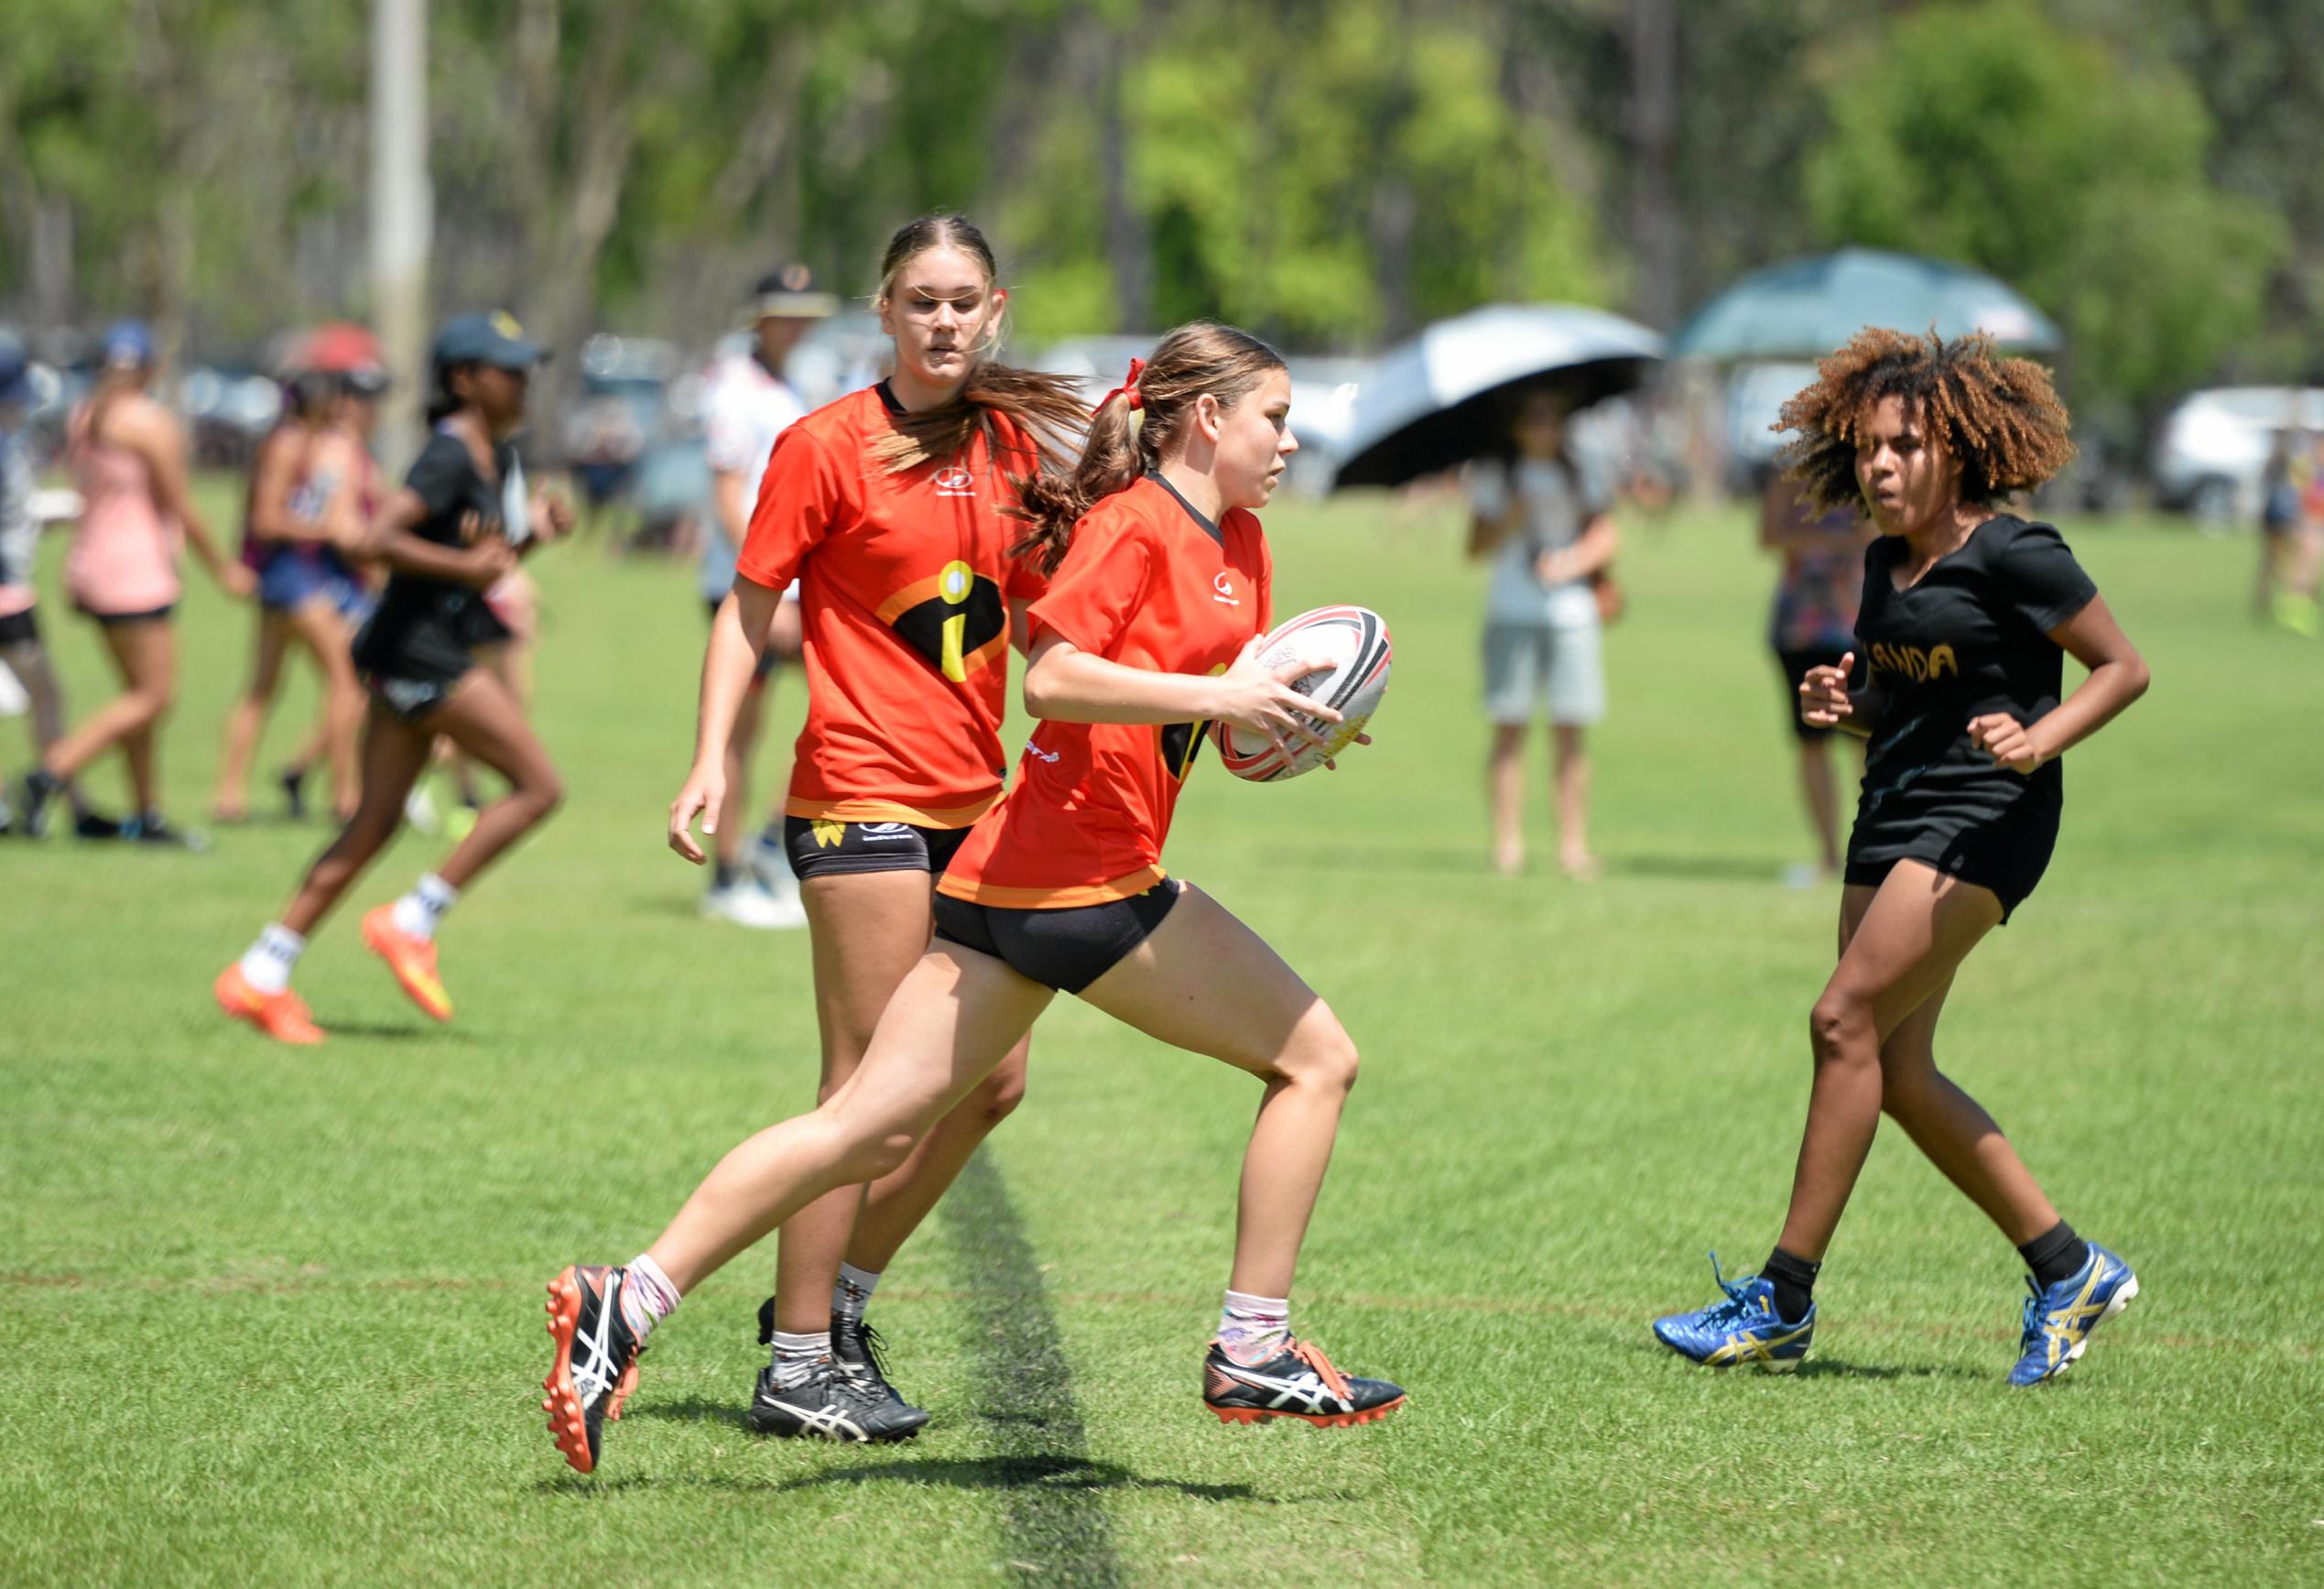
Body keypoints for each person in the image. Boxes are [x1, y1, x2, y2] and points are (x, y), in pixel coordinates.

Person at [540, 319, 1405, 1477]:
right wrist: (1222, 690)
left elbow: (1195, 707)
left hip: (1009, 875)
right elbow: (1052, 678)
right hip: (1080, 879)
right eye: (1275, 418)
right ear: (1207, 417)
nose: (1292, 441)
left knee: (862, 1125)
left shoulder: (1241, 541)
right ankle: (1254, 1345)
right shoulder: (1135, 522)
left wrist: (1284, 726)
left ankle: (625, 1297)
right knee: (1317, 1060)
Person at [611, 215, 1097, 1449]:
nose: (942, 321)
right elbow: (746, 604)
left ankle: (835, 1310)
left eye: (963, 301)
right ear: (881, 313)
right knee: (869, 1091)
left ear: (997, 311)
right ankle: (796, 1355)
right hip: (858, 796)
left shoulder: (1018, 449)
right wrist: (711, 752)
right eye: (919, 300)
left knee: (991, 1080)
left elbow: (1048, 630)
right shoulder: (824, 444)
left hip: (972, 803)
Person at [1651, 329, 2150, 1386]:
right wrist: (1846, 705)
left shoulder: (2019, 552)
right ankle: (2069, 1268)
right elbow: (1899, 704)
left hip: (1985, 818)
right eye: (1868, 447)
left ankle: (1782, 1297)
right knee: (1893, 1065)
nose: (1880, 465)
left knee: (1840, 1021)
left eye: (1904, 446)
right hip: (1891, 812)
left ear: (1956, 453)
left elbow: (2122, 667)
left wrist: (2039, 737)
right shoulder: (1882, 563)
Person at [212, 312, 570, 1043]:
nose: (526, 381)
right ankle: (413, 918)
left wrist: (532, 537)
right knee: (539, 787)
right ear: (466, 380)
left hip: (423, 645)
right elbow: (377, 539)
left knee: (373, 822)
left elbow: (482, 568)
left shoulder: (493, 460)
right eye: (510, 369)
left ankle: (259, 972)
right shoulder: (445, 456)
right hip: (418, 653)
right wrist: (465, 565)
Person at [12, 320, 253, 844]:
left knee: (135, 695)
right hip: (136, 574)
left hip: (91, 567)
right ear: (148, 368)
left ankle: (148, 815)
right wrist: (224, 569)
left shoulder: (84, 415)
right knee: (153, 697)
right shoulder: (149, 422)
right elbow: (181, 504)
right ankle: (47, 775)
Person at [693, 264, 839, 930]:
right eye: (785, 311)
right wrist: (768, 587)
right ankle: (726, 873)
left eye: (805, 312)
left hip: (800, 584)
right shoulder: (733, 387)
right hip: (751, 587)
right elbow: (729, 492)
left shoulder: (801, 380)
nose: (798, 324)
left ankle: (766, 843)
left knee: (836, 712)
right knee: (740, 732)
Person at [212, 354, 377, 825]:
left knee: (263, 687)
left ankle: (229, 795)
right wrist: (326, 529)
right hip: (292, 577)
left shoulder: (303, 440)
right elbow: (266, 518)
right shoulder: (287, 444)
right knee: (347, 681)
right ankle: (345, 796)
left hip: (291, 576)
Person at [1467, 387, 1618, 878]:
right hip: (1512, 608)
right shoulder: (1496, 473)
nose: (1542, 428)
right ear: (1517, 426)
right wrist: (1509, 518)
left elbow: (1605, 533)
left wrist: (1571, 561)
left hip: (1571, 613)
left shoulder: (1582, 469)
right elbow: (1473, 546)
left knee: (1570, 729)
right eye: (1533, 418)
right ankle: (1507, 843)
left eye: (1551, 418)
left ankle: (1572, 845)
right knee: (1509, 726)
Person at [0, 332, 117, 837]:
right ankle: (66, 799)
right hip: (8, 595)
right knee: (46, 696)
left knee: (43, 695)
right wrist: (73, 507)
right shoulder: (5, 449)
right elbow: (19, 513)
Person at [1759, 463, 1875, 885]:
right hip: (1800, 628)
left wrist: (1810, 538)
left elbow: (1875, 534)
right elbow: (1770, 536)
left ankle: (1871, 852)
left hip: (1857, 625)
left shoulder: (1867, 470)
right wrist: (1837, 540)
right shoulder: (1787, 475)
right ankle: (1828, 856)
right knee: (1812, 741)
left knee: (1868, 742)